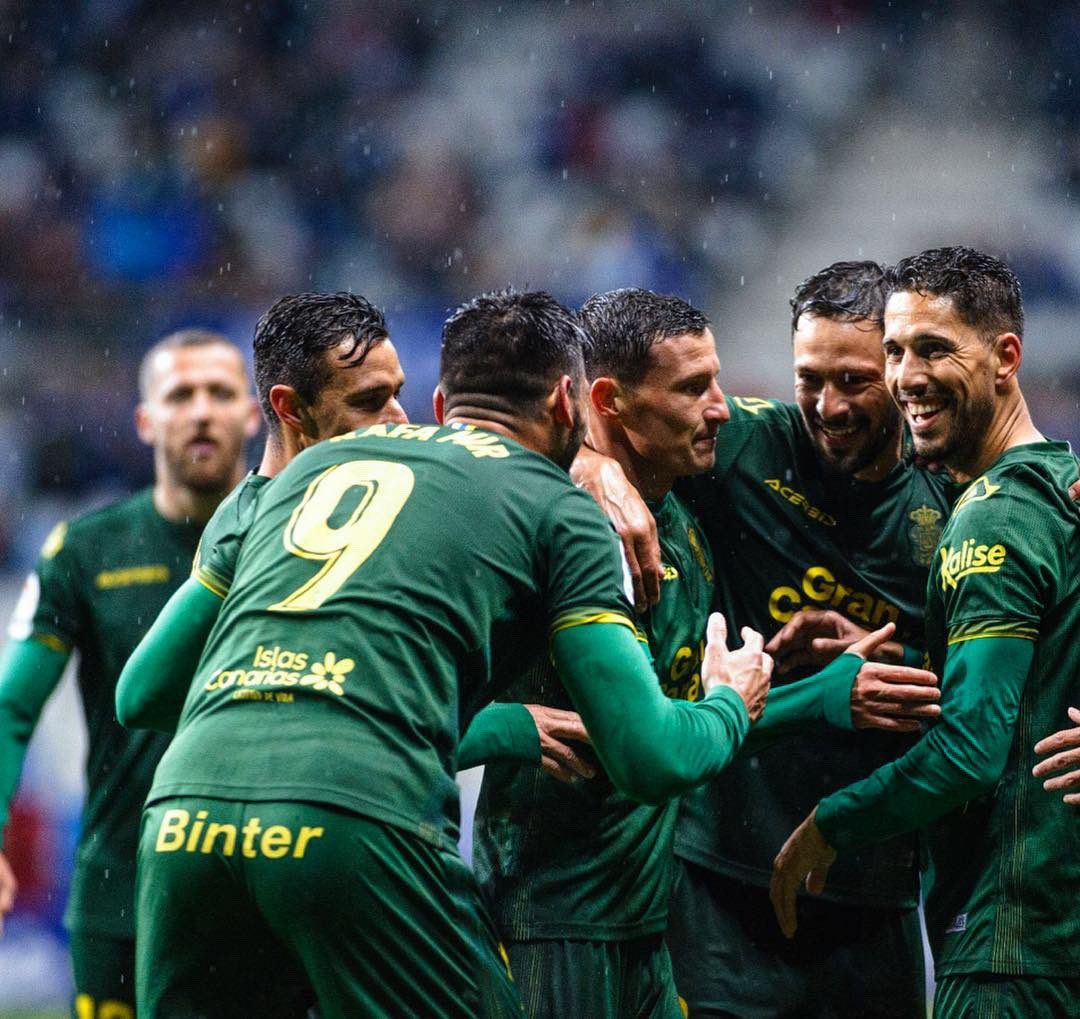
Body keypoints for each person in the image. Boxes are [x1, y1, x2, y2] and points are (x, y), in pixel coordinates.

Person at [132, 289, 774, 1018]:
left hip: (182, 816)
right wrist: (729, 696)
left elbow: (144, 695)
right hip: (357, 815)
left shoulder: (296, 478)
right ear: (573, 403)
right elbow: (649, 755)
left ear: (440, 400)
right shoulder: (559, 507)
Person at [475, 287, 941, 1018]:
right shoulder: (562, 524)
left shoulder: (688, 516)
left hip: (684, 913)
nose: (721, 407)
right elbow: (655, 744)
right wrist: (592, 461)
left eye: (854, 379)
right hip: (572, 913)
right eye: (809, 378)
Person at [770, 247, 1080, 1018]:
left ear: (1006, 357)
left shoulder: (994, 519)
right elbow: (1032, 681)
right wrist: (911, 657)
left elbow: (973, 748)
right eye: (897, 351)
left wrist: (832, 823)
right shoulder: (1059, 487)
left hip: (1011, 943)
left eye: (935, 349)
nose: (907, 376)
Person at [0, 329, 258, 1017]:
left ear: (255, 412)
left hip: (263, 889)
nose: (201, 410)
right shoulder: (86, 550)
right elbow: (12, 707)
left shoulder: (298, 540)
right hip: (122, 891)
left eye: (220, 393)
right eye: (180, 394)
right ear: (146, 419)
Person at [117, 291, 408, 732]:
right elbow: (140, 698)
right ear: (290, 409)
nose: (400, 419)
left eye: (396, 394)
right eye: (369, 402)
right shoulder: (253, 529)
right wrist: (499, 730)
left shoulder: (352, 502)